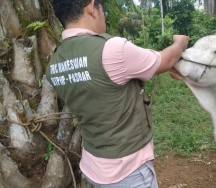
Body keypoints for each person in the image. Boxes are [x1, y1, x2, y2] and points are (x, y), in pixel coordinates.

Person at [46, 0, 189, 187]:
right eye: (102, 9)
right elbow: (167, 59)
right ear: (91, 7)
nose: (104, 15)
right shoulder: (111, 49)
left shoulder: (54, 63)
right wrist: (180, 42)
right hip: (128, 170)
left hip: (94, 165)